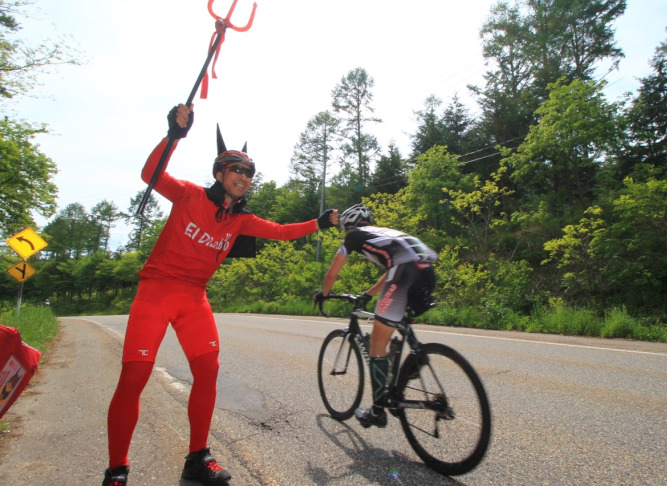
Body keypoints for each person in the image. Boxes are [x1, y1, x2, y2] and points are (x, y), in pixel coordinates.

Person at [103, 104, 338, 486]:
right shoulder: (189, 195)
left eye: (249, 173)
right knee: (134, 376)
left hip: (194, 297)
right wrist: (174, 136)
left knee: (208, 372)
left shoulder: (241, 220)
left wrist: (318, 222)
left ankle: (197, 457)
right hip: (156, 291)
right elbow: (151, 174)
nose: (245, 177)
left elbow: (279, 231)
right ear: (220, 173)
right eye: (237, 170)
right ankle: (117, 469)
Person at [314, 203, 437, 428]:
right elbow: (394, 268)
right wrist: (368, 294)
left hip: (404, 271)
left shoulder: (353, 237)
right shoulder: (384, 233)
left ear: (348, 226)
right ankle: (413, 361)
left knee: (377, 342)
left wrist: (323, 294)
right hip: (427, 269)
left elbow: (333, 271)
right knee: (396, 323)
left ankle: (378, 410)